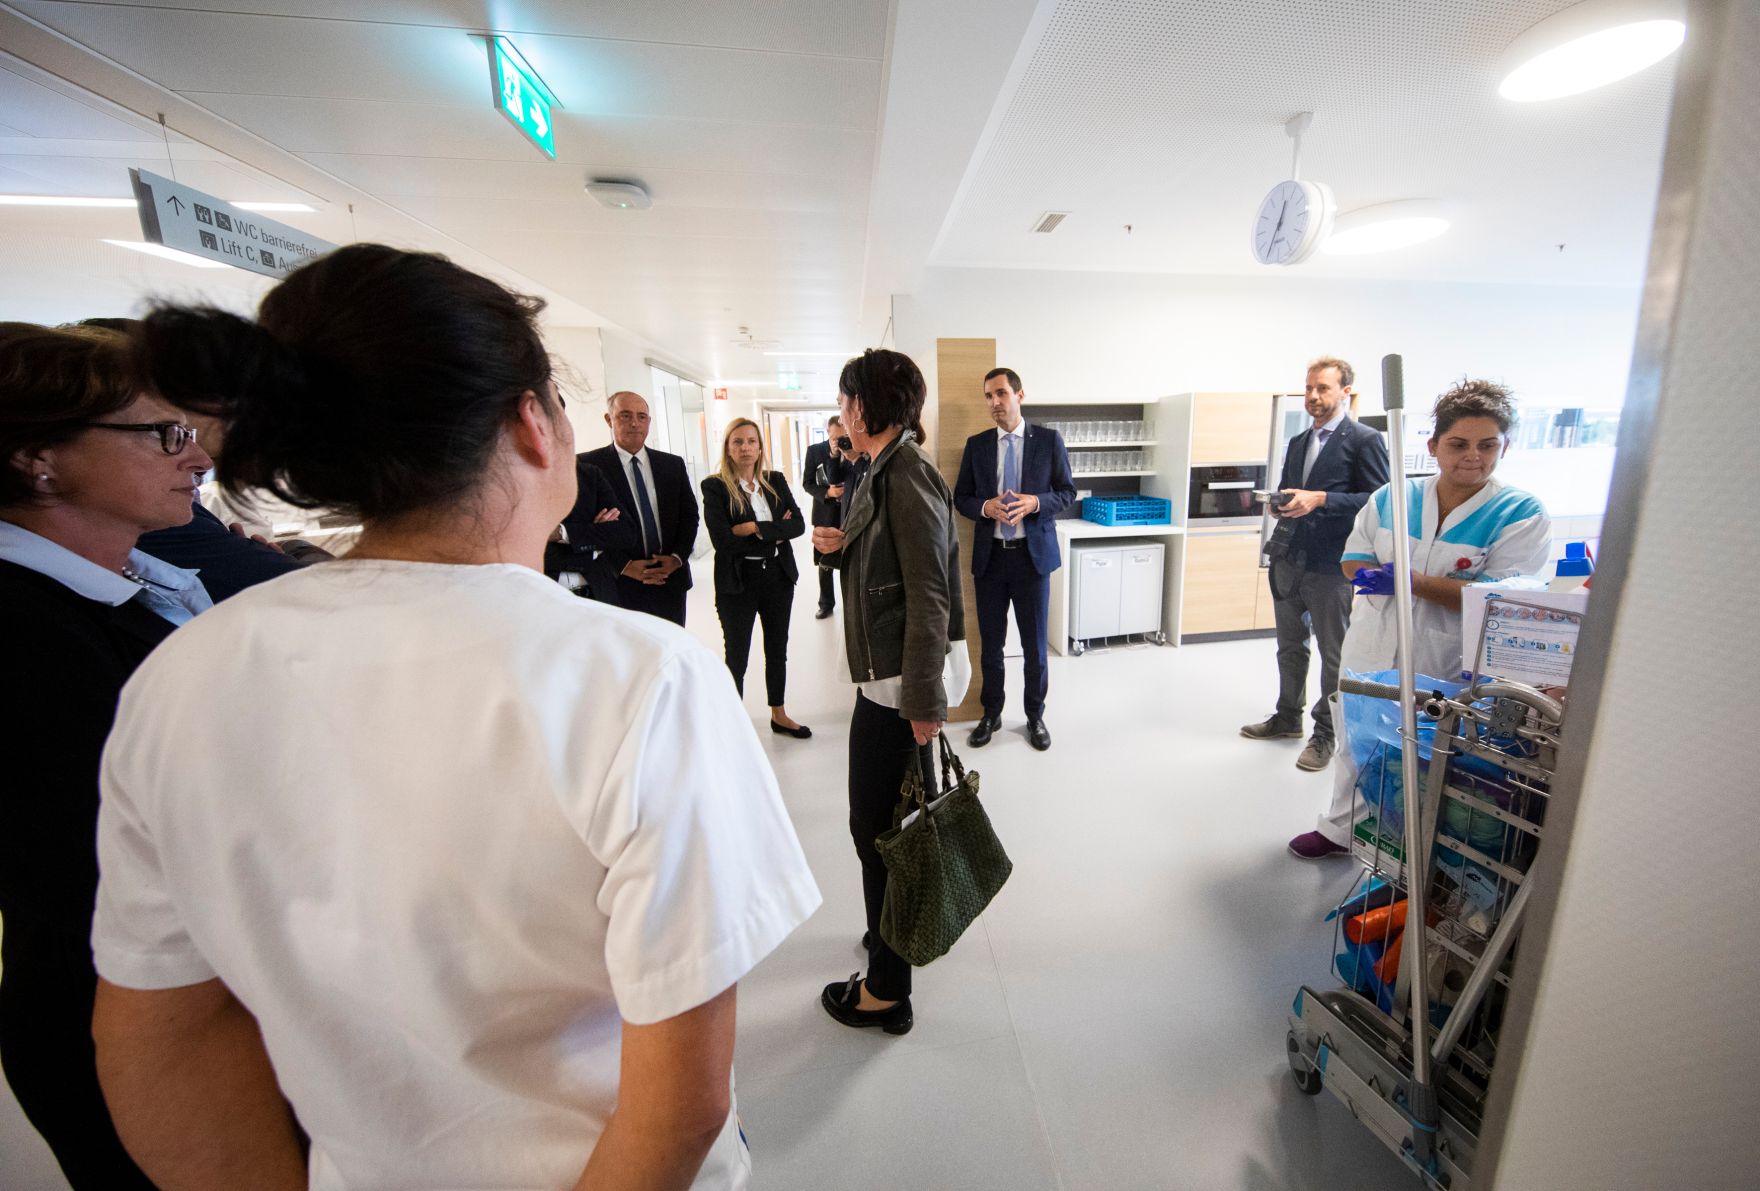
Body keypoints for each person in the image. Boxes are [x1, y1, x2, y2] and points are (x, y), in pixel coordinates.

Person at [90, 245, 821, 1190]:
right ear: (531, 423)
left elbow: (166, 1033)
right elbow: (680, 1102)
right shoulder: (640, 679)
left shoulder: (181, 678)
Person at [0, 321, 213, 1190]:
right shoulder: (23, 629)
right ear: (36, 458)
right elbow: (90, 863)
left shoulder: (131, 582)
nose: (197, 455)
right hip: (113, 1020)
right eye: (164, 433)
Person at [1289, 379, 1551, 860]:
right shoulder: (1392, 497)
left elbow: (1500, 601)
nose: (1472, 456)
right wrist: (1376, 576)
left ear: (1504, 447)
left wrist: (1415, 582)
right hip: (1374, 643)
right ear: (1433, 446)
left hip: (1444, 658)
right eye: (1458, 444)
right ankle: (1340, 829)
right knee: (1357, 740)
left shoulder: (1520, 513)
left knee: (1427, 754)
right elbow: (1353, 559)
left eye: (1487, 445)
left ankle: (1414, 850)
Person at [811, 348, 967, 1036]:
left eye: (847, 399)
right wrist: (838, 545)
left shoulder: (907, 472)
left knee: (881, 832)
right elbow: (892, 565)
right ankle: (886, 938)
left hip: (901, 688)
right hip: (884, 682)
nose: (842, 410)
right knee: (877, 826)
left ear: (868, 405)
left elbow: (931, 592)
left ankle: (886, 988)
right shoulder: (882, 464)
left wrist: (926, 701)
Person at [1240, 356, 1390, 772]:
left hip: (1332, 565)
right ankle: (1288, 717)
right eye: (1308, 388)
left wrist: (1321, 499)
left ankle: (1325, 734)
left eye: (1322, 388)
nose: (1313, 396)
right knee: (1290, 645)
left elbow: (1379, 500)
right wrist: (1281, 503)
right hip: (1289, 558)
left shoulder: (1364, 440)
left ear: (1345, 391)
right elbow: (1293, 491)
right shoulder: (1298, 441)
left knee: (1333, 653)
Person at [953, 366, 1076, 752]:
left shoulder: (1049, 441)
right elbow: (961, 498)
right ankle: (991, 714)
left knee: (1035, 647)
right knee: (990, 646)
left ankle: (1035, 715)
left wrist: (1035, 502)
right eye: (988, 396)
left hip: (1031, 560)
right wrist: (985, 508)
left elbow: (1067, 492)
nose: (994, 402)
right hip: (990, 561)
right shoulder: (977, 445)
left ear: (1019, 395)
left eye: (1001, 393)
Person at [702, 417, 811, 738]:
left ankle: (779, 714)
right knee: (736, 654)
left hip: (778, 577)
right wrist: (775, 532)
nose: (745, 448)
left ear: (761, 447)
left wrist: (752, 528)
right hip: (738, 581)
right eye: (738, 442)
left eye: (751, 441)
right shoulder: (715, 486)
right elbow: (723, 540)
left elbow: (798, 525)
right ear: (728, 448)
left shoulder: (774, 481)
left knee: (777, 649)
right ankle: (732, 721)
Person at [582, 390, 700, 626]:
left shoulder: (672, 465)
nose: (635, 423)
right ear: (609, 419)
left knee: (670, 643)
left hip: (670, 581)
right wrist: (623, 566)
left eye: (641, 416)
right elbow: (587, 528)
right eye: (625, 416)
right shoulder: (587, 467)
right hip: (619, 583)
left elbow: (689, 517)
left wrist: (676, 558)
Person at [545, 453, 641, 602]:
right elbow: (525, 549)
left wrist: (561, 533)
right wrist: (594, 545)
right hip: (546, 597)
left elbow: (626, 532)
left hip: (599, 594)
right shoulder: (514, 480)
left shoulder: (589, 474)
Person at [800, 415, 851, 618]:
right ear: (828, 433)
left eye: (843, 436)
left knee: (849, 560)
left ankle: (851, 604)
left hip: (848, 512)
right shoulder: (815, 451)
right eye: (835, 438)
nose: (840, 442)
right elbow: (807, 483)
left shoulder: (854, 449)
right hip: (825, 513)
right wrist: (828, 493)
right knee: (824, 562)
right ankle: (826, 603)